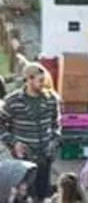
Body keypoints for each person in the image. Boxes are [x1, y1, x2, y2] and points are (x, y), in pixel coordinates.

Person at [0, 63, 61, 200]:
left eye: (43, 80)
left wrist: (55, 140)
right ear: (28, 79)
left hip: (45, 158)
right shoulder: (13, 101)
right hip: (23, 161)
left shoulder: (51, 99)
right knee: (24, 195)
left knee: (43, 195)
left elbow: (56, 123)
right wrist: (13, 143)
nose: (43, 83)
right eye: (40, 80)